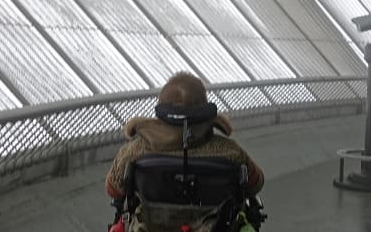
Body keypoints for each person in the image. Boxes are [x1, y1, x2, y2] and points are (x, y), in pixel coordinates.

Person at [105, 72, 264, 201]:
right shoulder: (230, 151)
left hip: (149, 230)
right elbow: (255, 184)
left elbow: (114, 190)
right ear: (204, 108)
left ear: (161, 107)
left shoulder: (134, 150)